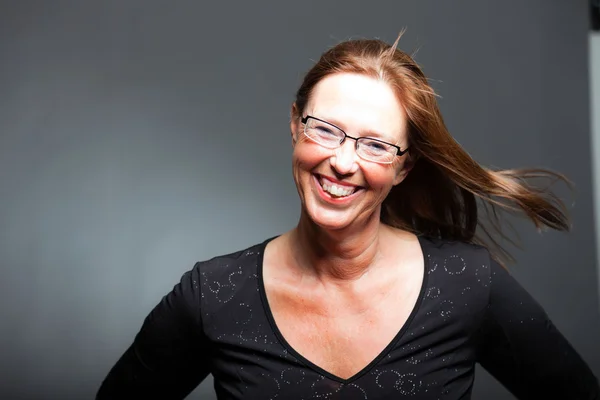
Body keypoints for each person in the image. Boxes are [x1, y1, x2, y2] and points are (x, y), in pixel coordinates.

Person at [96, 34, 600, 399]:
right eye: (326, 130)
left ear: (403, 167)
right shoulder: (213, 296)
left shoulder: (467, 282)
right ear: (295, 126)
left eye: (376, 144)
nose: (342, 161)